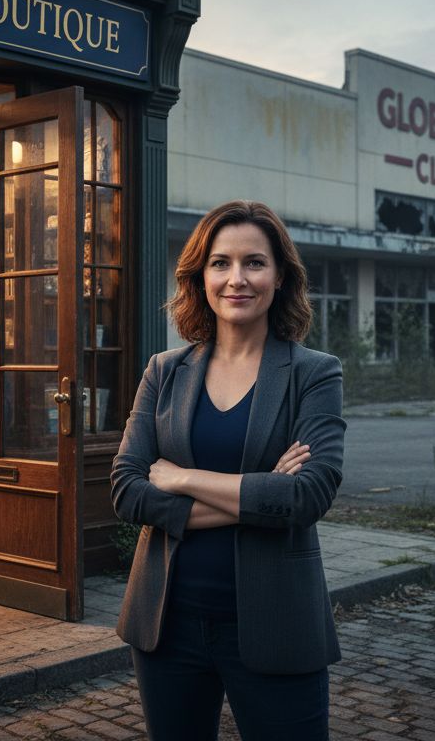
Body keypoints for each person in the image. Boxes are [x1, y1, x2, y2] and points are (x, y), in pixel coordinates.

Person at [110, 200, 346, 740]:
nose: (236, 279)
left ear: (280, 275)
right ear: (200, 275)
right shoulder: (164, 371)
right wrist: (259, 497)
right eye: (220, 263)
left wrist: (180, 477)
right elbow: (127, 490)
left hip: (276, 623)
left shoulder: (314, 374)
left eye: (254, 263)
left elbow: (308, 497)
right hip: (166, 623)